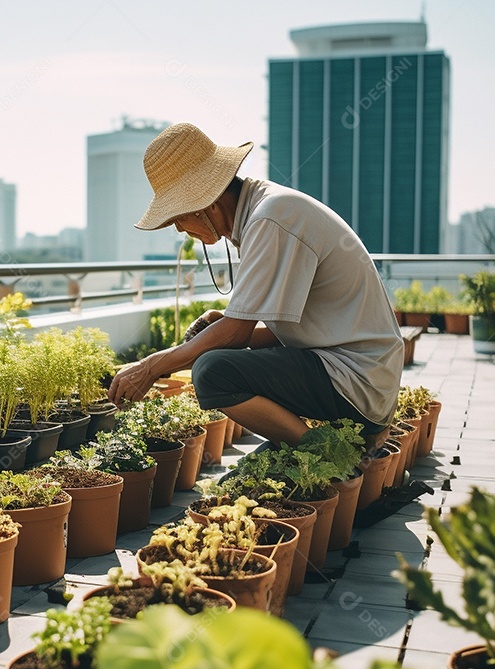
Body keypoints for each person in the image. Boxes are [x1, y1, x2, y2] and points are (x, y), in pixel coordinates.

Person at [107, 123, 403, 450]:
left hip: (356, 381)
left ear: (207, 206)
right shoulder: (266, 210)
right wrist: (225, 326)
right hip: (362, 374)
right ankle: (318, 445)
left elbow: (236, 333)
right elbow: (289, 329)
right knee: (217, 355)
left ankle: (328, 453)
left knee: (211, 372)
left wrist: (150, 368)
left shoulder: (270, 218)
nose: (178, 229)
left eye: (178, 216)